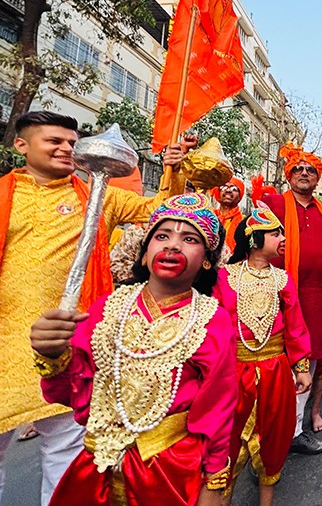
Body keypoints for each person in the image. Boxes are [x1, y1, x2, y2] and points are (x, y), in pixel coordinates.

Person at [0, 111, 187, 505]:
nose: (66, 149)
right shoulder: (3, 196)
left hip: (71, 344)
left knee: (66, 461)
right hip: (4, 347)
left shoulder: (98, 195)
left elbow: (161, 208)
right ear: (21, 145)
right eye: (54, 141)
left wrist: (173, 170)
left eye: (71, 142)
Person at [30, 192, 237, 506]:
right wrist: (52, 355)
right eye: (162, 236)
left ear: (207, 259)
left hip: (169, 472)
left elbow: (218, 411)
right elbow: (71, 393)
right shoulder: (106, 309)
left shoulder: (213, 321)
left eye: (190, 239)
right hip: (97, 464)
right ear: (143, 254)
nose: (172, 246)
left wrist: (213, 483)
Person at [213, 207, 312, 506]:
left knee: (273, 438)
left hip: (275, 371)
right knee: (227, 442)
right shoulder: (224, 277)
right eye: (275, 233)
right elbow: (213, 325)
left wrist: (301, 367)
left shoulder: (283, 279)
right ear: (255, 239)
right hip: (232, 373)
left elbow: (295, 326)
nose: (283, 238)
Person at [255, 142, 322, 451]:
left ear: (318, 178)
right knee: (275, 360)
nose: (304, 173)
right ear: (288, 175)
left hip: (315, 295)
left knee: (312, 357)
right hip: (275, 293)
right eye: (298, 169)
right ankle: (266, 428)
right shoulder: (274, 204)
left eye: (311, 170)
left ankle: (294, 429)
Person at [212, 177, 245, 252]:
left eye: (234, 189)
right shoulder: (209, 217)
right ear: (218, 194)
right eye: (224, 187)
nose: (228, 191)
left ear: (239, 197)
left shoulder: (244, 222)